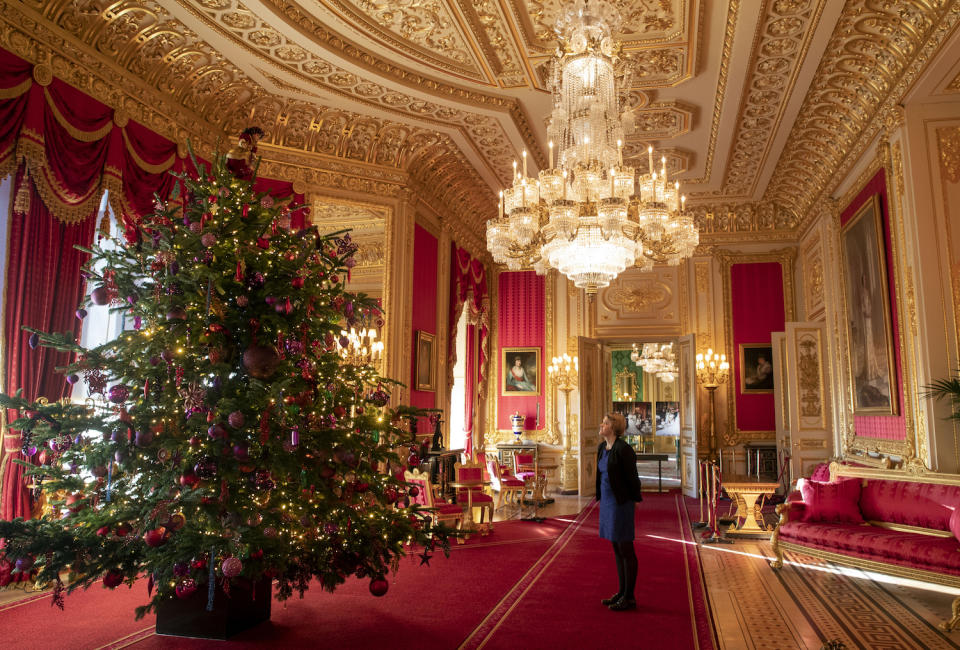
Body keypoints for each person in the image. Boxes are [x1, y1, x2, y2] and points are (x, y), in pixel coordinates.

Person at [596, 412, 643, 611]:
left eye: (605, 423)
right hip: (607, 502)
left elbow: (633, 478)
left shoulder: (624, 450)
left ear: (613, 428)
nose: (601, 425)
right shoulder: (602, 448)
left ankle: (629, 597)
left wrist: (635, 499)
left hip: (621, 503)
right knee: (616, 548)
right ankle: (621, 592)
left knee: (625, 548)